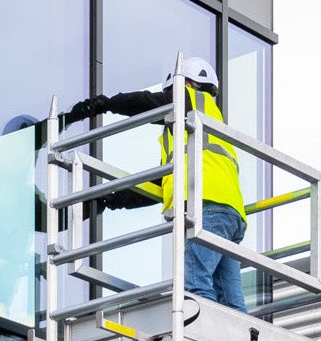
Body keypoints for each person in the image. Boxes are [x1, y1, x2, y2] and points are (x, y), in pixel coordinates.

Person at [64, 59, 248, 310]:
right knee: (230, 298)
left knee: (195, 285)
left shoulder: (191, 100)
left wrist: (106, 104)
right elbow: (160, 184)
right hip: (229, 214)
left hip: (206, 208)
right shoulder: (200, 128)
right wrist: (113, 200)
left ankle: (200, 340)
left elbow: (144, 103)